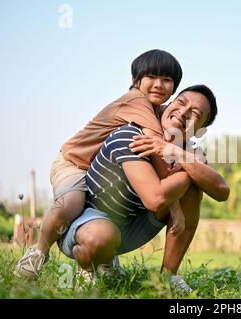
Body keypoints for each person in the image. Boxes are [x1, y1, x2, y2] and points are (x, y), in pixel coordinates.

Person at [14, 49, 185, 279]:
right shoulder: (136, 101)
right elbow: (157, 149)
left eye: (167, 80)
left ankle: (101, 256)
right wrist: (174, 205)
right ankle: (38, 252)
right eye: (151, 77)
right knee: (72, 202)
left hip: (97, 170)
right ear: (136, 80)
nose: (158, 84)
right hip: (73, 162)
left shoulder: (157, 111)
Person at [57, 85, 229, 294]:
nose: (183, 113)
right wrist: (189, 169)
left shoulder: (186, 151)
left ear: (200, 131)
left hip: (128, 229)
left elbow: (221, 191)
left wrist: (174, 152)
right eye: (181, 103)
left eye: (194, 114)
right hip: (86, 227)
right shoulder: (132, 133)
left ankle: (168, 277)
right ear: (168, 105)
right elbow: (154, 200)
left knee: (197, 181)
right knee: (100, 237)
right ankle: (89, 267)